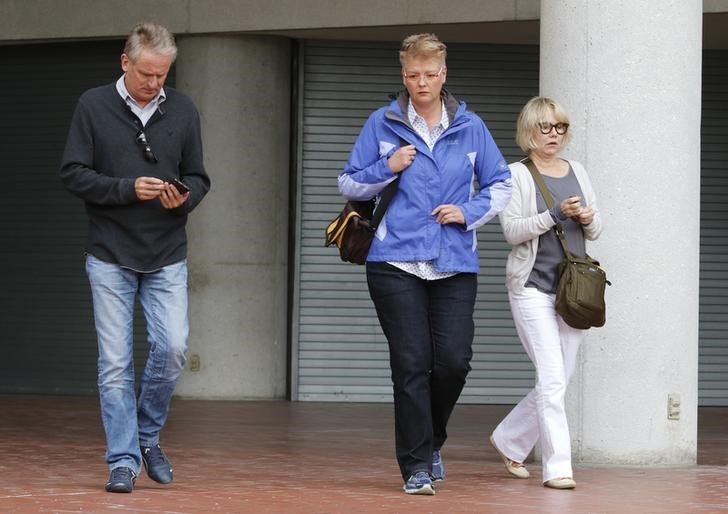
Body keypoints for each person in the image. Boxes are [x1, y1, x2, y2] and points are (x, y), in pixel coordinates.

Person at [338, 33, 512, 495]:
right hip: (394, 260)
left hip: (455, 258)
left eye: (429, 75)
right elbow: (348, 184)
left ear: (444, 74)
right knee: (411, 362)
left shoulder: (471, 126)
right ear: (403, 75)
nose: (421, 83)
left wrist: (469, 212)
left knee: (454, 362)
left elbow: (501, 184)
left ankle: (432, 439)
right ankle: (416, 465)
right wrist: (388, 166)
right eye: (413, 75)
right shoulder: (383, 123)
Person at [60, 22, 210, 493]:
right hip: (108, 253)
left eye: (162, 75)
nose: (154, 84)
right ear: (125, 62)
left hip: (166, 252)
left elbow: (199, 177)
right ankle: (122, 459)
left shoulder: (183, 109)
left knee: (172, 352)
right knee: (115, 363)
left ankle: (147, 434)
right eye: (147, 73)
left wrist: (182, 198)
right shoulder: (92, 105)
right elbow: (73, 173)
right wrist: (126, 190)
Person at [490, 96, 603, 490]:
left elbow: (597, 227)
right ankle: (558, 468)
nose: (554, 134)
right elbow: (512, 231)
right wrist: (554, 214)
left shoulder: (578, 170)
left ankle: (509, 438)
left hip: (572, 290)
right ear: (530, 131)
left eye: (561, 127)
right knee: (552, 379)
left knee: (559, 379)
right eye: (546, 127)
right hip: (532, 288)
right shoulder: (515, 174)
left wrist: (587, 218)